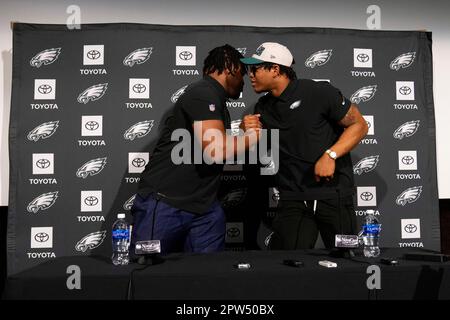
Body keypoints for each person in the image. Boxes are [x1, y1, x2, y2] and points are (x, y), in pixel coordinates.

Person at [130, 44, 261, 256]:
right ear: (230, 68)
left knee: (206, 278)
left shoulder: (215, 99)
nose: (244, 81)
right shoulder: (203, 93)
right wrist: (251, 137)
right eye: (242, 74)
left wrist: (241, 135)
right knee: (146, 273)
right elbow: (216, 151)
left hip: (204, 207)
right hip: (168, 202)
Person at [241, 42, 368, 252]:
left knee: (348, 261)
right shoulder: (262, 107)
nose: (250, 75)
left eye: (255, 68)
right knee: (288, 267)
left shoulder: (317, 92)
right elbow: (261, 151)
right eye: (249, 69)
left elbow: (360, 125)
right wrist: (248, 131)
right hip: (294, 198)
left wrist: (331, 155)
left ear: (275, 69)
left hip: (332, 194)